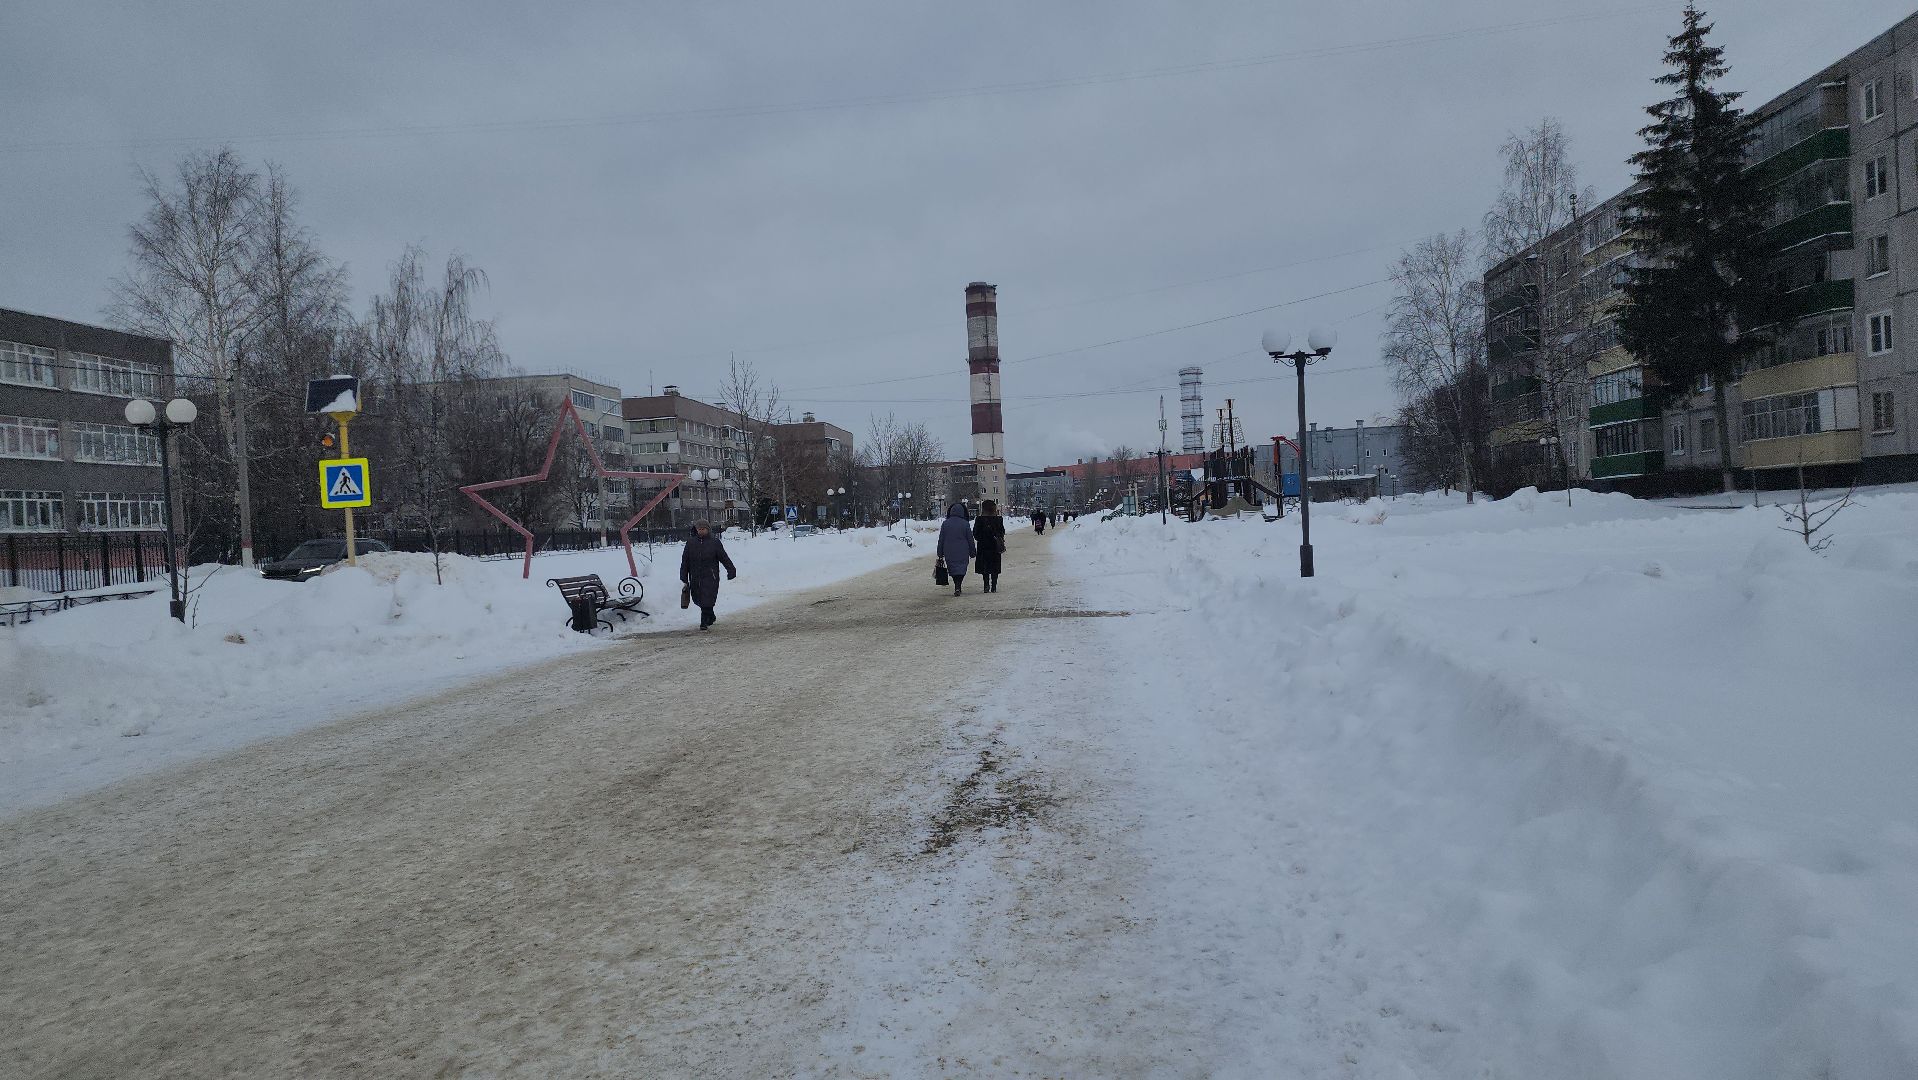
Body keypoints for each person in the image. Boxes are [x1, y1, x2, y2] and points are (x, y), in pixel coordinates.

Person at [679, 519, 737, 630]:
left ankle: (704, 621)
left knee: (707, 597)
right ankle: (711, 615)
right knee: (697, 598)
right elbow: (685, 560)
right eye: (699, 529)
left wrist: (731, 570)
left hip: (711, 576)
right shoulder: (691, 543)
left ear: (708, 530)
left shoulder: (714, 543)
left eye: (703, 529)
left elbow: (724, 558)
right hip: (695, 576)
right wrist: (683, 575)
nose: (701, 531)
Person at [938, 503, 976, 596]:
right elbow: (970, 539)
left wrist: (940, 552)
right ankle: (958, 585)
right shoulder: (965, 524)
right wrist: (972, 551)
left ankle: (957, 585)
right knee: (961, 569)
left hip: (949, 551)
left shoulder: (945, 524)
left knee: (953, 568)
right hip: (963, 551)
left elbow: (941, 539)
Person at [973, 499, 1007, 593]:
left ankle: (986, 585)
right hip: (995, 547)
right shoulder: (998, 519)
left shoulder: (979, 519)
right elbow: (1002, 532)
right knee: (995, 567)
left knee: (985, 567)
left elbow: (975, 533)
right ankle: (994, 586)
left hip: (983, 546)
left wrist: (982, 538)